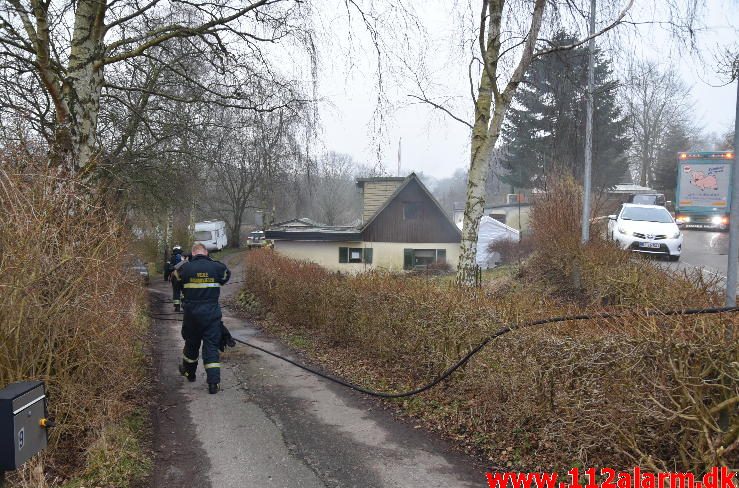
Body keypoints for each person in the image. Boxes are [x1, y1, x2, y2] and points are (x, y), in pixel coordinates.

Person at [172, 243, 231, 394]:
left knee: (191, 344)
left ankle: (189, 374)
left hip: (192, 315)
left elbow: (175, 280)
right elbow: (226, 276)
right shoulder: (216, 267)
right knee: (211, 347)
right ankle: (213, 384)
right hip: (211, 315)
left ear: (192, 253)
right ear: (205, 252)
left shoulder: (185, 267)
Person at [168, 245, 185, 312]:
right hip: (184, 276)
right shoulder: (183, 257)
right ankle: (184, 305)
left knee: (176, 291)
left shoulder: (172, 258)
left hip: (175, 276)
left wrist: (166, 276)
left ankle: (177, 307)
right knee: (184, 292)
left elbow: (168, 268)